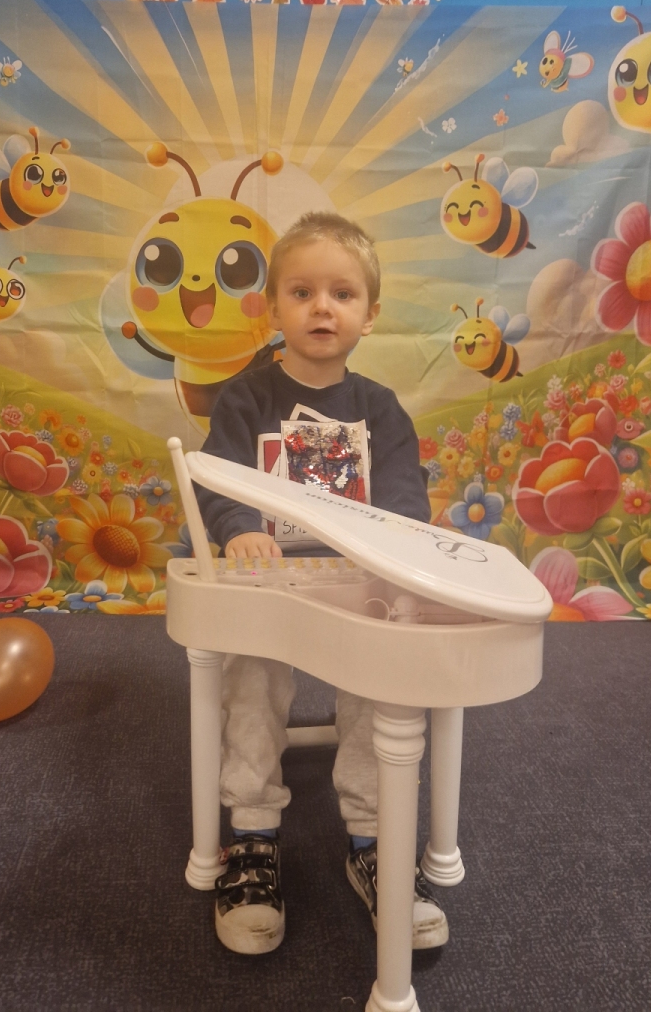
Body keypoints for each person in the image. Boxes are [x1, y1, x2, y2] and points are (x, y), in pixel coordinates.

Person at [197, 210, 449, 956]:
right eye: (302, 292)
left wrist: (395, 550)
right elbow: (217, 477)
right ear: (272, 308)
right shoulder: (245, 399)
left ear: (370, 315)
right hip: (269, 580)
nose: (321, 308)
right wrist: (238, 525)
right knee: (250, 680)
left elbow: (403, 496)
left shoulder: (379, 408)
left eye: (342, 294)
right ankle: (252, 833)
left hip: (356, 582)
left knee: (383, 686)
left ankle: (373, 840)